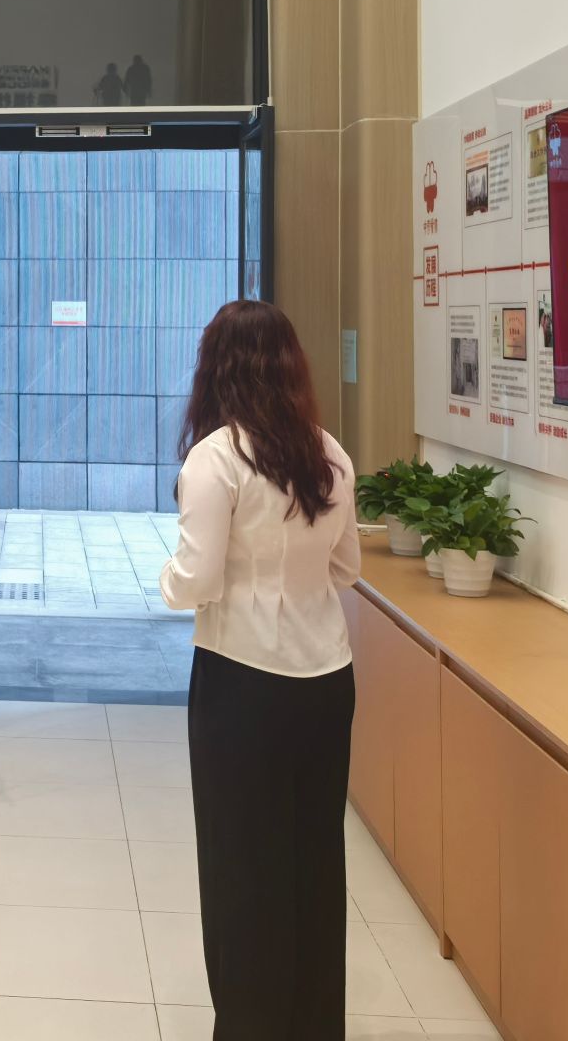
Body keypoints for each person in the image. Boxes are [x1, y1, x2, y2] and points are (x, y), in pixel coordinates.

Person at [158, 300, 360, 1040]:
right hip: (327, 679)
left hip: (241, 681)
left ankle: (250, 1025)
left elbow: (195, 580)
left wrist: (164, 579)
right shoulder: (329, 452)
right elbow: (346, 566)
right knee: (315, 857)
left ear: (218, 367)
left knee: (242, 863)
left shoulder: (215, 458)